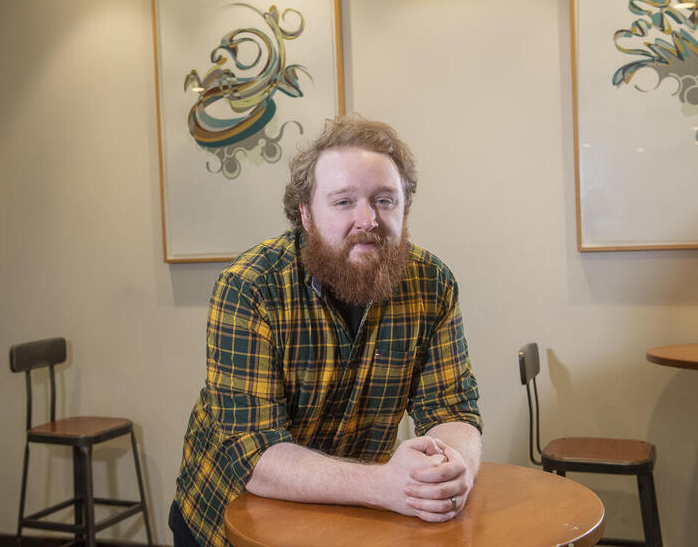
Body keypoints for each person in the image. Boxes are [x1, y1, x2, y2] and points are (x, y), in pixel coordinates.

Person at [169, 114, 482, 547]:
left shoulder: (433, 284)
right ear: (306, 214)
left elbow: (453, 411)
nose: (367, 219)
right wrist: (386, 485)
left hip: (349, 519)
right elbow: (254, 453)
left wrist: (453, 468)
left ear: (405, 207)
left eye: (385, 200)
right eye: (343, 202)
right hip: (230, 521)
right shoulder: (249, 287)